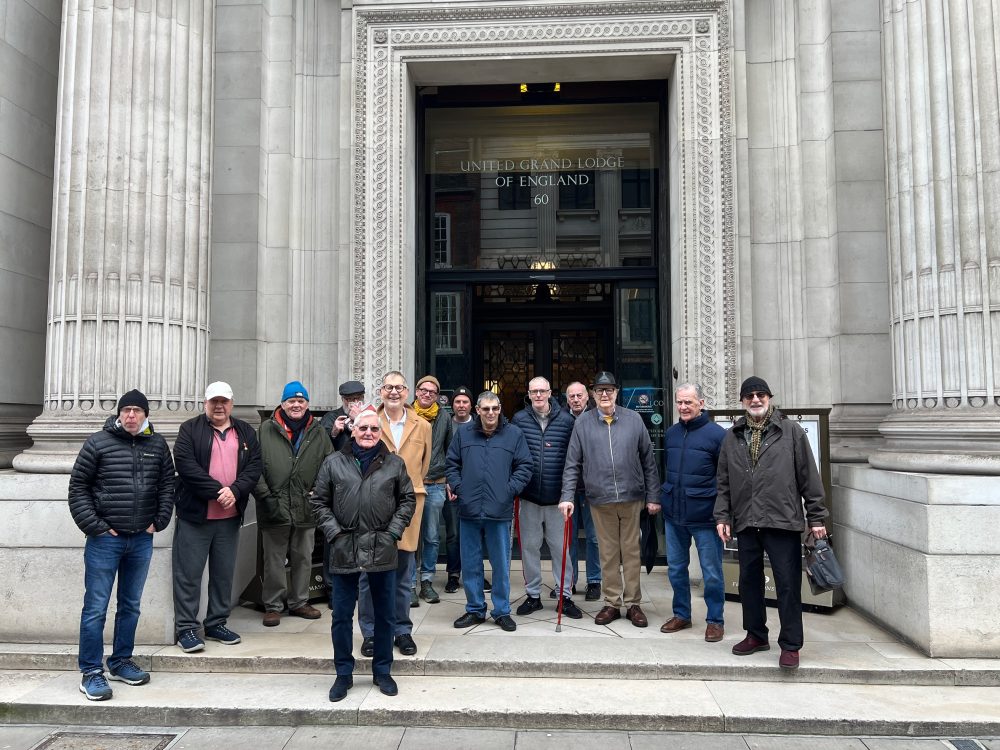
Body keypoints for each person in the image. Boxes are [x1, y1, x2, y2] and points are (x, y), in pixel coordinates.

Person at [714, 376, 828, 670]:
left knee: (788, 584)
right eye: (749, 395)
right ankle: (756, 634)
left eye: (760, 394)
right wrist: (722, 516)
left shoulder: (790, 432)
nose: (755, 399)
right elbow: (724, 481)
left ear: (770, 398)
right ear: (741, 402)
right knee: (749, 583)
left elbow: (809, 477)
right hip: (747, 521)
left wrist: (816, 517)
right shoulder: (732, 436)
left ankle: (790, 644)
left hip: (782, 521)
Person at [69, 390, 175, 701]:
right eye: (126, 410)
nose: (131, 415)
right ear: (119, 414)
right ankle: (91, 671)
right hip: (105, 541)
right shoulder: (97, 443)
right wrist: (97, 527)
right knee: (96, 608)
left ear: (145, 415)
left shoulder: (157, 445)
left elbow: (168, 484)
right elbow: (78, 487)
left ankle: (120, 660)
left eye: (136, 411)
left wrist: (160, 520)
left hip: (141, 538)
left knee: (130, 606)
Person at [311, 406, 416, 701]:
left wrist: (393, 532)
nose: (368, 433)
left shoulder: (394, 464)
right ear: (352, 430)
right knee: (342, 616)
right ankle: (343, 674)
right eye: (362, 428)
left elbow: (407, 500)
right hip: (344, 549)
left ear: (380, 432)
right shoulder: (333, 463)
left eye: (373, 429)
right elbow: (319, 501)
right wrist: (334, 532)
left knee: (384, 615)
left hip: (382, 549)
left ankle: (382, 671)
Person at [559, 371, 660, 628]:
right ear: (593, 394)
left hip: (631, 497)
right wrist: (567, 496)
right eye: (600, 390)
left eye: (609, 390)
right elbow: (572, 463)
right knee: (608, 554)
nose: (605, 394)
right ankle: (612, 602)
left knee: (632, 552)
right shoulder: (582, 424)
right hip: (600, 498)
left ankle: (633, 603)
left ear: (616, 392)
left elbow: (649, 461)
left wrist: (653, 496)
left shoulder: (634, 419)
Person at [172, 381, 262, 653]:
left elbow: (255, 465)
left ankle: (216, 623)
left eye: (224, 401)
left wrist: (234, 491)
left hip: (229, 517)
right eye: (214, 402)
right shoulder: (190, 429)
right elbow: (186, 465)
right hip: (195, 516)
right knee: (188, 574)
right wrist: (218, 491)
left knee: (223, 574)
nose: (219, 406)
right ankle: (186, 628)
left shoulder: (245, 431)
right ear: (205, 404)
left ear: (231, 404)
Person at [445, 391, 532, 632]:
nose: (491, 413)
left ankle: (502, 611)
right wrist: (460, 488)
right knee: (471, 563)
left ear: (500, 409)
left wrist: (509, 490)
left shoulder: (513, 434)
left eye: (495, 408)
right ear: (478, 411)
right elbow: (451, 463)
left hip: (499, 510)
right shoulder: (463, 433)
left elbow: (525, 465)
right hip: (469, 510)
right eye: (486, 409)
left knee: (501, 564)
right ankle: (475, 609)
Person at [358, 371, 429, 658]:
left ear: (407, 391)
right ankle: (371, 632)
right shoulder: (369, 422)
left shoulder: (422, 426)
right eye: (389, 387)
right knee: (368, 573)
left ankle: (402, 630)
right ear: (381, 391)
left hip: (409, 506)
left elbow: (422, 467)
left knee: (403, 573)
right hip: (372, 506)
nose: (394, 393)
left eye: (399, 388)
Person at [254, 381, 333, 627]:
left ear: (307, 404)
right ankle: (274, 606)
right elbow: (252, 466)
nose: (296, 405)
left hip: (305, 505)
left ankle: (299, 602)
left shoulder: (318, 431)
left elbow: (329, 465)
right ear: (283, 403)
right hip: (274, 505)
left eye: (301, 401)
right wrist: (265, 495)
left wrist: (318, 492)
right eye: (291, 401)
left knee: (303, 556)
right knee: (274, 559)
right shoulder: (266, 429)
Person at [659, 384, 727, 642]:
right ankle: (682, 615)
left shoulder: (717, 435)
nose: (683, 407)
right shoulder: (671, 433)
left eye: (688, 402)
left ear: (701, 402)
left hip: (706, 517)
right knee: (676, 569)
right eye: (679, 402)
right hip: (674, 515)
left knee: (711, 572)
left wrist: (723, 515)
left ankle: (715, 620)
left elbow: (725, 479)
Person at [511, 377, 582, 619]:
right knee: (529, 548)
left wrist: (569, 493)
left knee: (561, 548)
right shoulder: (519, 420)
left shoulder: (566, 421)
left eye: (542, 391)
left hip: (558, 499)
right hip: (529, 497)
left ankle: (565, 595)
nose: (538, 395)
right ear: (529, 394)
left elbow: (574, 459)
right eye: (534, 392)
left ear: (550, 392)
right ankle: (533, 596)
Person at [413, 375, 453, 605]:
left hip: (435, 484)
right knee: (409, 536)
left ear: (437, 396)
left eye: (432, 392)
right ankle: (408, 584)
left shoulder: (444, 417)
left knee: (431, 536)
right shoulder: (406, 414)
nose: (427, 394)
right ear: (417, 392)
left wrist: (447, 478)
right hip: (409, 485)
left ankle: (426, 581)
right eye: (424, 390)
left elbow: (450, 450)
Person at [565, 380, 601, 601]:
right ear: (566, 398)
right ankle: (569, 581)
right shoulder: (560, 419)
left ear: (588, 397)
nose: (576, 400)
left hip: (593, 489)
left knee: (594, 538)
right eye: (572, 396)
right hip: (568, 489)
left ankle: (594, 581)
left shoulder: (597, 418)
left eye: (580, 396)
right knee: (567, 538)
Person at [443, 385, 474, 593]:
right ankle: (453, 574)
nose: (461, 405)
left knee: (475, 533)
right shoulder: (444, 425)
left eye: (465, 402)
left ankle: (475, 573)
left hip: (475, 488)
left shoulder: (481, 424)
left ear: (472, 405)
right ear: (452, 405)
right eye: (457, 402)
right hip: (451, 487)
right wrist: (448, 480)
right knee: (453, 533)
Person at [320, 380, 366, 452]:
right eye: (350, 399)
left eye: (359, 398)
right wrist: (333, 433)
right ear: (342, 399)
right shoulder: (331, 417)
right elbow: (321, 444)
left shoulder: (370, 416)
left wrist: (359, 418)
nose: (355, 402)